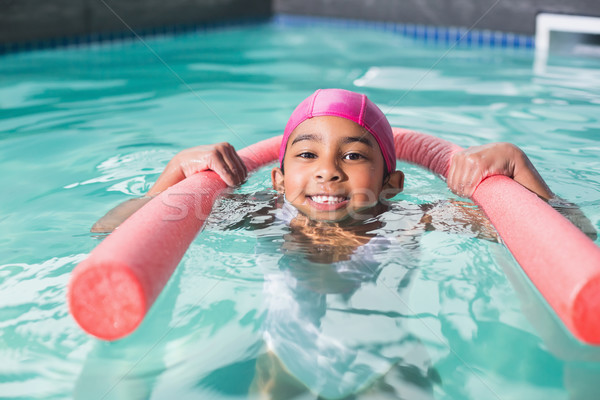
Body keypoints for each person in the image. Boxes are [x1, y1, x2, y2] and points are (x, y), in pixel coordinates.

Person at [90, 89, 595, 399]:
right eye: (307, 154)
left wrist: (524, 174)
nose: (328, 169)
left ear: (391, 183)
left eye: (353, 156)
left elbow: (557, 245)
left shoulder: (412, 220)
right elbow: (114, 231)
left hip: (391, 363)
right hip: (282, 360)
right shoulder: (258, 213)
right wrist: (173, 177)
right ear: (277, 180)